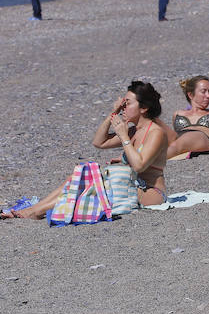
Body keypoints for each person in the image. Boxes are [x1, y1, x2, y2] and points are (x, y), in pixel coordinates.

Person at [1, 81, 168, 219]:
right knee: (76, 177)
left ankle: (35, 211)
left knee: (89, 182)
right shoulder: (134, 131)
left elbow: (139, 166)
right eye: (123, 104)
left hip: (149, 193)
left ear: (144, 108)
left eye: (128, 103)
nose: (124, 107)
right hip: (126, 186)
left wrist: (124, 138)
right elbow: (99, 142)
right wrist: (112, 113)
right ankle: (35, 210)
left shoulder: (155, 132)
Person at [166, 76, 209, 159]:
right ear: (190, 95)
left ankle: (147, 162)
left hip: (202, 138)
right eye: (203, 91)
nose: (208, 96)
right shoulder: (178, 113)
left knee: (179, 144)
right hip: (179, 138)